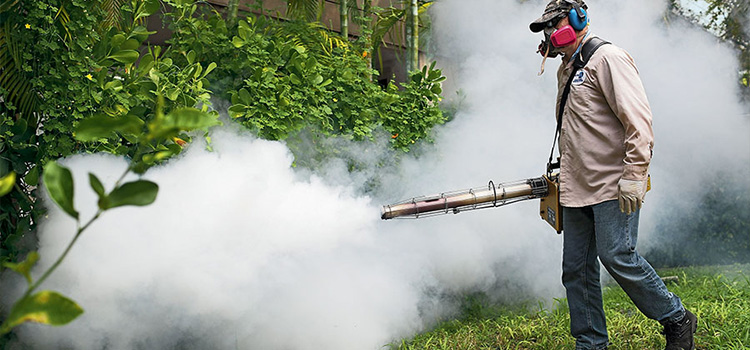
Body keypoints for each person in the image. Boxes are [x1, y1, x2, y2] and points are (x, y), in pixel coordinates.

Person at [528, 1, 698, 349]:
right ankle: (591, 343)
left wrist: (635, 174)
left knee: (618, 255)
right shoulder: (569, 66)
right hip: (576, 186)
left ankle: (676, 317)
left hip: (612, 184)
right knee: (575, 269)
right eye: (545, 29)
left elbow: (638, 122)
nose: (549, 34)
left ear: (577, 20)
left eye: (553, 25)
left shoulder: (608, 58)